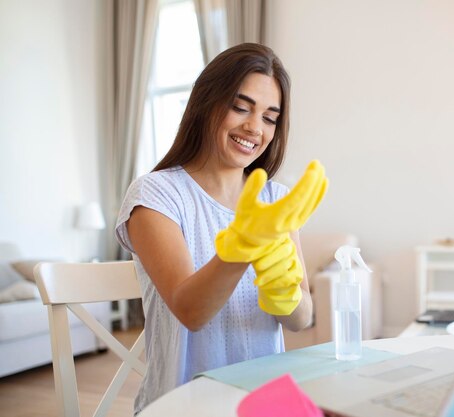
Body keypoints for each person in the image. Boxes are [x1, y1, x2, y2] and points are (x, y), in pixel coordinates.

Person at [115, 43, 328, 414]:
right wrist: (244, 246)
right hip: (183, 406)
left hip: (264, 405)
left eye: (269, 117)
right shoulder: (155, 194)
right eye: (240, 107)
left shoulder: (274, 198)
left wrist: (285, 294)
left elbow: (302, 319)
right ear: (206, 103)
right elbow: (191, 311)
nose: (253, 127)